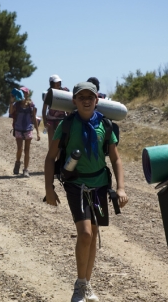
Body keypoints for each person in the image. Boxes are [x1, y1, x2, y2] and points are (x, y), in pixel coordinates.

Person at [44, 81, 128, 302]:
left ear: (97, 99)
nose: (86, 100)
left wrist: (120, 187)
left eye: (90, 96)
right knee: (85, 234)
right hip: (76, 185)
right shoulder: (67, 125)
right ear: (74, 101)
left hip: (100, 185)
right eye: (81, 97)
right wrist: (49, 189)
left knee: (93, 234)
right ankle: (80, 285)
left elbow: (116, 159)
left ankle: (86, 284)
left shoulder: (106, 125)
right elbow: (51, 157)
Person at [9, 87, 40, 177]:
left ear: (27, 94)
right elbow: (11, 112)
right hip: (18, 128)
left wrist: (38, 132)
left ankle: (26, 169)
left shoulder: (31, 105)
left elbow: (34, 118)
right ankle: (17, 162)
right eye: (21, 92)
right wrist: (11, 101)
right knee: (19, 149)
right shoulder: (16, 104)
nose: (22, 94)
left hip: (28, 129)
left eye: (24, 92)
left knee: (27, 150)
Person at [42, 74, 68, 146]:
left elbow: (68, 107)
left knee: (60, 143)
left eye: (59, 82)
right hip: (50, 120)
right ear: (51, 83)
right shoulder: (48, 94)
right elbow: (44, 109)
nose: (58, 84)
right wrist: (44, 121)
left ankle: (59, 157)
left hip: (61, 119)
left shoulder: (64, 93)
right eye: (56, 82)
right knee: (51, 142)